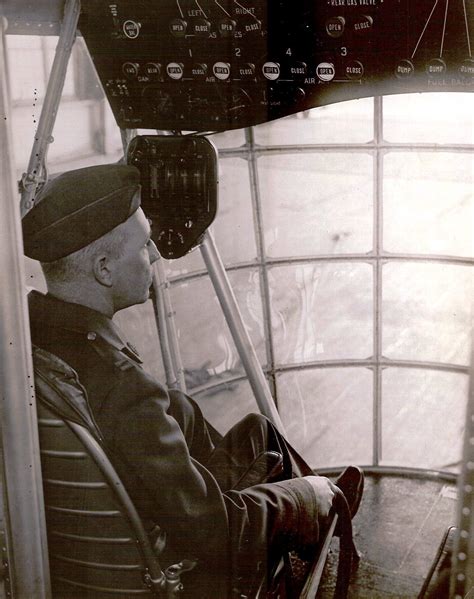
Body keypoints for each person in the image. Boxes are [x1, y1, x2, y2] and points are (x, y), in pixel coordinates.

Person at [23, 164, 363, 597]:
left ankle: (323, 504)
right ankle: (322, 506)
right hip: (181, 570)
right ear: (104, 269)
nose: (155, 255)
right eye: (144, 244)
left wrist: (172, 410)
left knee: (255, 430)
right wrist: (301, 499)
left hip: (93, 554)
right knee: (296, 492)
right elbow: (216, 533)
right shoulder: (123, 386)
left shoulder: (34, 342)